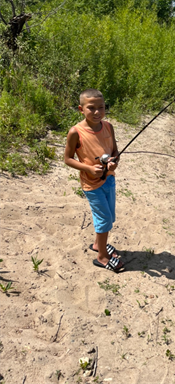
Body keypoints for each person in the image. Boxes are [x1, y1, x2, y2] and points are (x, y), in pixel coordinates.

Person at [64, 88, 124, 272]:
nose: (97, 112)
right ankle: (102, 256)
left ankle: (99, 245)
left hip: (109, 180)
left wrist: (113, 162)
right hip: (91, 184)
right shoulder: (76, 132)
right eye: (91, 108)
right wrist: (89, 168)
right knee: (104, 219)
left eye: (101, 107)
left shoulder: (108, 127)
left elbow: (115, 152)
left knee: (109, 216)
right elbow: (68, 159)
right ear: (81, 109)